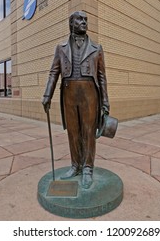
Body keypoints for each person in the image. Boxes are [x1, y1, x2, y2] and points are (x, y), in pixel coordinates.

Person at [42, 11, 110, 189]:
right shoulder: (61, 48)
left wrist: (105, 101)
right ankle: (75, 165)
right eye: (79, 19)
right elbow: (53, 72)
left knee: (88, 132)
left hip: (90, 94)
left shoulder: (97, 48)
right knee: (73, 131)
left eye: (86, 20)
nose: (84, 22)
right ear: (71, 23)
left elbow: (102, 77)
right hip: (69, 94)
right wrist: (47, 95)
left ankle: (88, 168)